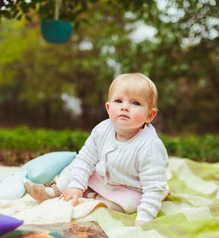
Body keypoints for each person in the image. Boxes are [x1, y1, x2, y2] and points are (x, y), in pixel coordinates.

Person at [24, 73, 169, 226]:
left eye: (135, 103)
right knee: (77, 163)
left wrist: (144, 217)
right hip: (102, 175)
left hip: (129, 188)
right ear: (108, 107)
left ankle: (94, 200)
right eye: (118, 101)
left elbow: (153, 186)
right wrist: (76, 185)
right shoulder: (102, 130)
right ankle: (58, 189)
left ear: (150, 115)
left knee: (128, 203)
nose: (125, 107)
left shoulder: (150, 146)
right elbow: (86, 159)